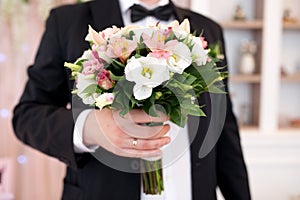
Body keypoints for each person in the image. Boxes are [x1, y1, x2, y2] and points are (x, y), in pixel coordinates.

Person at [12, 0, 251, 199]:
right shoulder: (67, 22)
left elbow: (224, 129)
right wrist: (89, 127)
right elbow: (27, 115)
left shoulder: (208, 29)